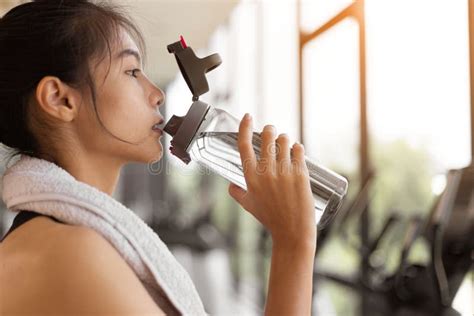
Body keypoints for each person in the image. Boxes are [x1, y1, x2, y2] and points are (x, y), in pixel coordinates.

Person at [0, 0, 316, 314]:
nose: (157, 94)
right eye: (132, 71)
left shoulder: (58, 241)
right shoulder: (73, 255)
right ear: (61, 99)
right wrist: (293, 245)